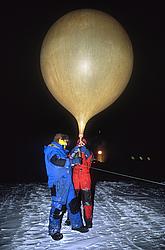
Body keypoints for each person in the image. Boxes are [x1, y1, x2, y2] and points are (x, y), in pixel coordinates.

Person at [44, 133, 88, 241]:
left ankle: (77, 225)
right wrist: (72, 162)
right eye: (66, 141)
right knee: (57, 207)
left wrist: (78, 148)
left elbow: (69, 156)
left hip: (68, 182)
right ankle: (54, 230)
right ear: (60, 140)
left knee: (73, 204)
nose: (67, 143)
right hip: (58, 183)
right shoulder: (51, 149)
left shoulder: (62, 150)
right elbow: (56, 161)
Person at [65, 138, 93, 228]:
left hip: (85, 179)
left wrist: (86, 152)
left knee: (87, 201)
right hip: (75, 178)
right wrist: (74, 151)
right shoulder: (74, 151)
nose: (81, 145)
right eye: (79, 143)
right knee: (73, 200)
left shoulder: (88, 152)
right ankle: (70, 218)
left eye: (83, 143)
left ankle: (88, 220)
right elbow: (68, 160)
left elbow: (90, 160)